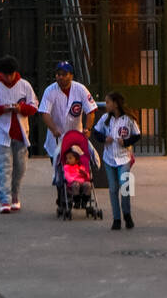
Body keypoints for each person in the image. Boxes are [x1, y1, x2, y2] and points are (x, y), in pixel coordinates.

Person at [0, 54, 38, 214]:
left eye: (11, 73)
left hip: (20, 132)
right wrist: (2, 109)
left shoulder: (24, 86)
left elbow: (34, 107)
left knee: (20, 167)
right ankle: (5, 199)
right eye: (6, 74)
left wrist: (21, 108)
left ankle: (15, 194)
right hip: (0, 133)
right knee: (4, 166)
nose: (9, 77)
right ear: (1, 74)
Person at [93, 91, 141, 230]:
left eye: (108, 102)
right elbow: (96, 132)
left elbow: (137, 135)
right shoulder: (105, 118)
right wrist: (104, 139)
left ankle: (127, 213)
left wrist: (126, 142)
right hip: (109, 158)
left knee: (125, 185)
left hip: (124, 157)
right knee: (113, 188)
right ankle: (116, 218)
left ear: (115, 103)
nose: (106, 105)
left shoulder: (128, 119)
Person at [39, 61, 97, 172]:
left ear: (71, 76)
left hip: (75, 135)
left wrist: (88, 129)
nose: (60, 77)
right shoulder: (50, 90)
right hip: (56, 136)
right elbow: (44, 112)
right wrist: (54, 129)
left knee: (77, 169)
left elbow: (91, 111)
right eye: (58, 74)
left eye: (64, 74)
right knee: (59, 171)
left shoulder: (80, 89)